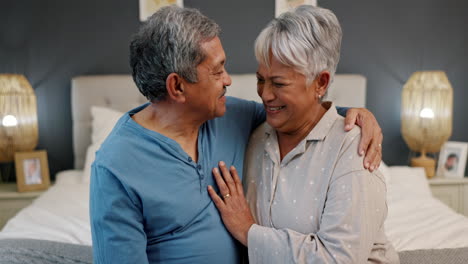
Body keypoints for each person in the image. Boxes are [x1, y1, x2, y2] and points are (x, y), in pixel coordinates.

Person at [90, 6, 384, 264]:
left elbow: (304, 114)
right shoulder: (115, 169)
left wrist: (356, 115)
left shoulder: (231, 116)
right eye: (217, 72)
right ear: (177, 87)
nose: (229, 80)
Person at [208, 5, 399, 263]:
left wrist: (247, 231)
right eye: (260, 80)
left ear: (320, 82)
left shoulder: (353, 148)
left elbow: (339, 259)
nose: (265, 94)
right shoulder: (254, 138)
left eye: (278, 83)